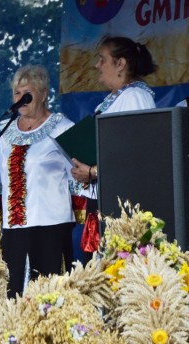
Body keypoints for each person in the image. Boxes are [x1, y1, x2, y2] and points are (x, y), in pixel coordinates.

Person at [71, 36, 157, 261]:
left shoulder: (136, 97)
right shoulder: (112, 100)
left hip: (122, 207)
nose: (96, 65)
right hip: (104, 202)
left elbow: (137, 156)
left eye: (102, 59)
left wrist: (93, 172)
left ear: (121, 63)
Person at [0, 65, 75, 298]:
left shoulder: (62, 127)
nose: (21, 99)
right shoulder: (5, 130)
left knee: (49, 294)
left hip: (50, 224)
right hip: (14, 227)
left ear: (43, 94)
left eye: (28, 94)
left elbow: (80, 175)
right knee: (15, 294)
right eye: (17, 94)